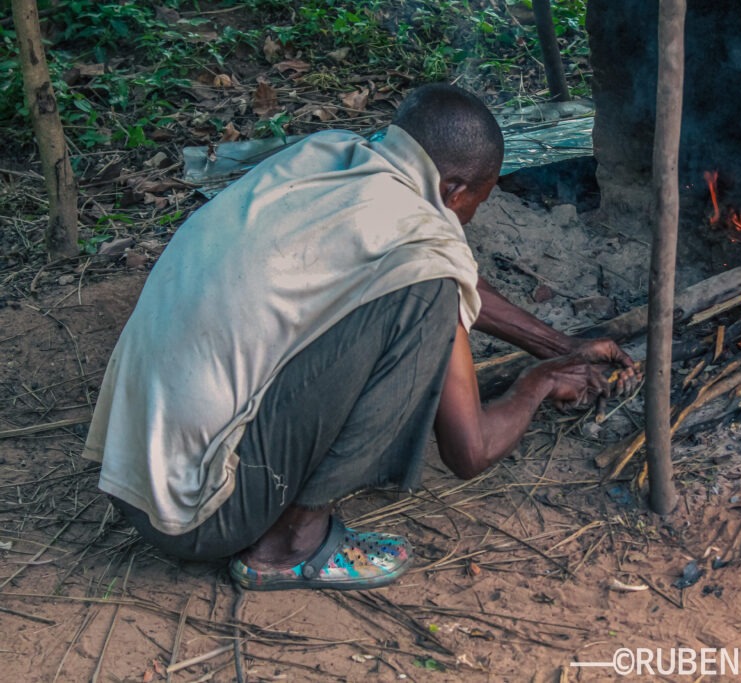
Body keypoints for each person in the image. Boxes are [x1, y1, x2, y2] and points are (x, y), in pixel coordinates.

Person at [83, 84, 637, 591]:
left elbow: (451, 268)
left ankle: (278, 524)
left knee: (430, 284)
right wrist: (536, 385)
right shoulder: (426, 255)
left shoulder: (326, 158)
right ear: (454, 188)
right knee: (426, 297)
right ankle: (288, 546)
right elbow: (471, 451)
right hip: (201, 516)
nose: (467, 220)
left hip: (132, 481)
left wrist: (555, 343)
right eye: (476, 204)